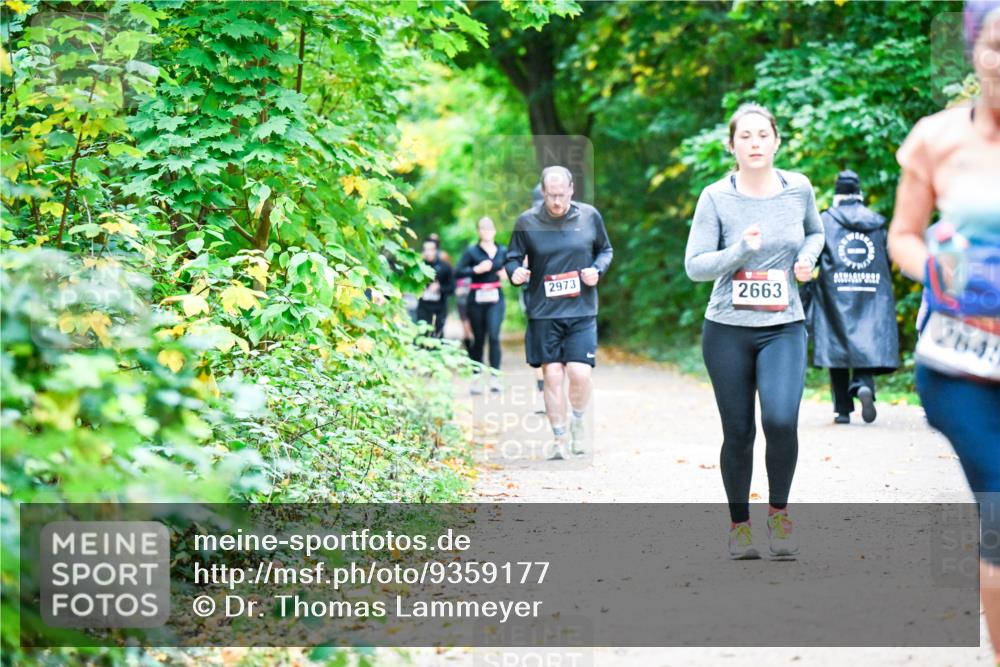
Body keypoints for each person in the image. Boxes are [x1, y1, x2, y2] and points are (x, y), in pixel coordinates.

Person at [888, 1, 1000, 659]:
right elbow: (901, 235)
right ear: (973, 52)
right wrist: (938, 272)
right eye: (995, 46)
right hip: (963, 366)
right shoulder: (936, 137)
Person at [685, 103, 825, 560]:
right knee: (740, 431)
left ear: (776, 140)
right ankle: (740, 525)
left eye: (762, 135)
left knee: (781, 420)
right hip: (727, 328)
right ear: (732, 145)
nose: (754, 143)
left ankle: (780, 514)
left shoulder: (798, 188)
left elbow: (815, 233)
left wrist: (807, 261)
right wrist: (739, 250)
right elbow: (695, 266)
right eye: (744, 136)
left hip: (783, 324)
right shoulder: (715, 197)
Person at [505, 166, 613, 460]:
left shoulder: (589, 216)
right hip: (544, 312)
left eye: (561, 194)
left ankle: (578, 420)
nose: (556, 201)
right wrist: (515, 272)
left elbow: (606, 250)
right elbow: (511, 257)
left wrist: (597, 270)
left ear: (571, 189)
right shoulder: (526, 222)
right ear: (542, 192)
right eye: (551, 195)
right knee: (552, 376)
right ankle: (559, 439)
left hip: (581, 310)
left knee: (579, 373)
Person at [807, 170, 899, 424]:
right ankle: (862, 384)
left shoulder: (825, 220)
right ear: (859, 193)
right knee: (866, 338)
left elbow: (813, 256)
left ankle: (843, 410)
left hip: (835, 292)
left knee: (836, 344)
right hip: (872, 291)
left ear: (838, 193)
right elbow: (888, 258)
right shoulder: (878, 222)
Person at [456, 217, 509, 394]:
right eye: (482, 228)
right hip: (476, 299)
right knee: (478, 339)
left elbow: (512, 267)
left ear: (494, 231)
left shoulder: (502, 250)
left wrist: (506, 273)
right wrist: (475, 270)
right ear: (478, 231)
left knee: (494, 336)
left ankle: (494, 378)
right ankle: (476, 377)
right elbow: (458, 272)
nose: (486, 231)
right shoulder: (472, 252)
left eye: (489, 228)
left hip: (495, 298)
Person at [415, 237, 454, 338]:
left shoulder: (445, 266)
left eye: (431, 249)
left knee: (438, 335)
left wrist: (439, 287)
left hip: (440, 307)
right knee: (422, 334)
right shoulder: (418, 266)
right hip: (423, 306)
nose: (428, 252)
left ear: (436, 251)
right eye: (425, 249)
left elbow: (452, 288)